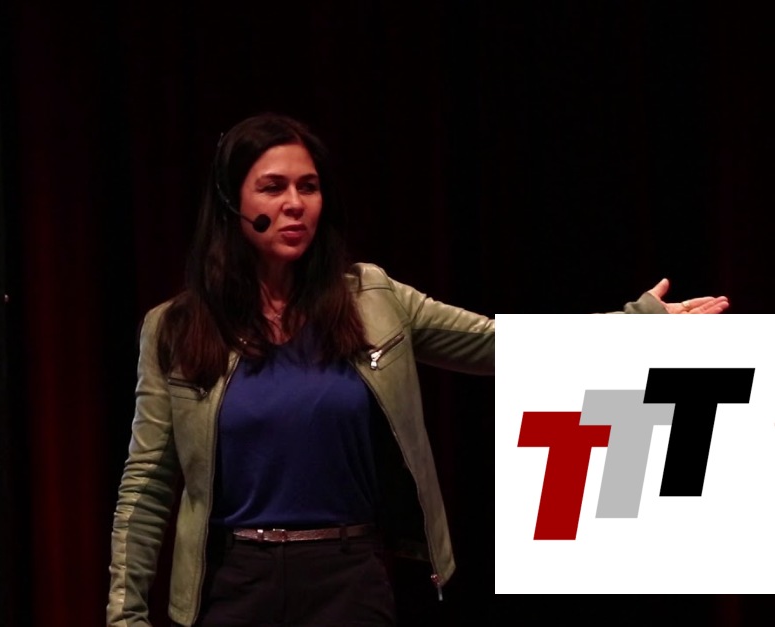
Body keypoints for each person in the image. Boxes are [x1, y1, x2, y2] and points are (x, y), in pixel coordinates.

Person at [106, 113, 729, 627]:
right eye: (273, 187)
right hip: (233, 585)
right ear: (230, 202)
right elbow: (146, 488)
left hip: (347, 580)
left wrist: (637, 323)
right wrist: (126, 616)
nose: (295, 204)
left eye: (309, 187)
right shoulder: (176, 327)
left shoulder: (373, 299)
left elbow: (500, 345)